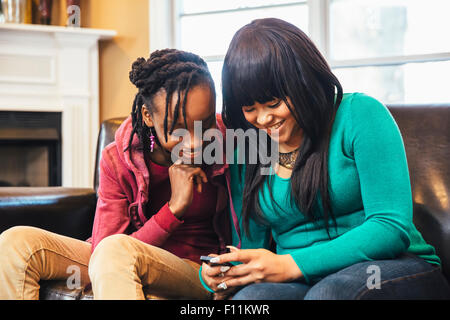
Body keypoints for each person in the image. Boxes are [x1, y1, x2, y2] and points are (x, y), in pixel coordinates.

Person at [200, 18, 450, 300]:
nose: (264, 118)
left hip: (393, 268)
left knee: (329, 294)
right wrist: (218, 273)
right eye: (250, 108)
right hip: (301, 281)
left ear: (303, 82)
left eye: (273, 103)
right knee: (250, 300)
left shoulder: (359, 115)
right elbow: (249, 247)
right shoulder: (249, 151)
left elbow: (390, 227)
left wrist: (291, 264)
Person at [0, 49, 231, 300]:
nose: (196, 141)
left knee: (115, 252)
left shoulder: (229, 143)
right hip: (119, 259)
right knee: (15, 244)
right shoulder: (120, 158)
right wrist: (173, 210)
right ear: (148, 116)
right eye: (178, 130)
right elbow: (105, 248)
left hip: (194, 270)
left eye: (205, 124)